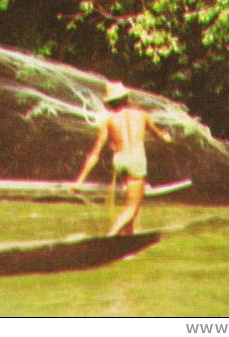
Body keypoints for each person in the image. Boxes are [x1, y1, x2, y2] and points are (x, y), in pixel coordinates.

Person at [74, 81, 173, 236]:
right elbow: (160, 136)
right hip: (136, 161)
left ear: (110, 103)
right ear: (126, 98)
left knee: (131, 203)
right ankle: (109, 237)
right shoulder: (142, 115)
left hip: (119, 161)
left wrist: (80, 181)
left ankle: (128, 240)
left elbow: (95, 153)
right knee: (132, 208)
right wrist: (167, 137)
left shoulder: (108, 121)